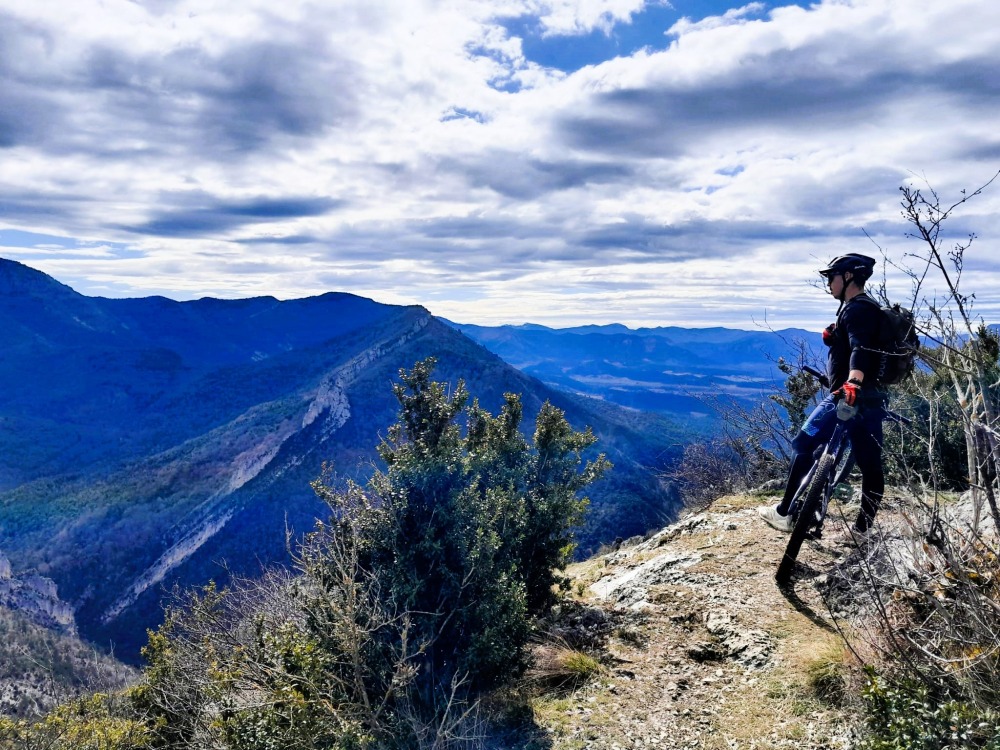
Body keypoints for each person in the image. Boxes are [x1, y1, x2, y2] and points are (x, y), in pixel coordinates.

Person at [759, 253, 888, 538]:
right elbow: (858, 344)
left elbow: (861, 349)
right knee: (870, 466)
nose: (829, 283)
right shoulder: (866, 310)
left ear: (849, 277)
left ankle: (784, 514)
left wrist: (852, 381)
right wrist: (836, 339)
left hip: (847, 397)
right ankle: (862, 532)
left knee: (803, 443)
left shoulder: (856, 309)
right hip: (872, 401)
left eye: (832, 277)